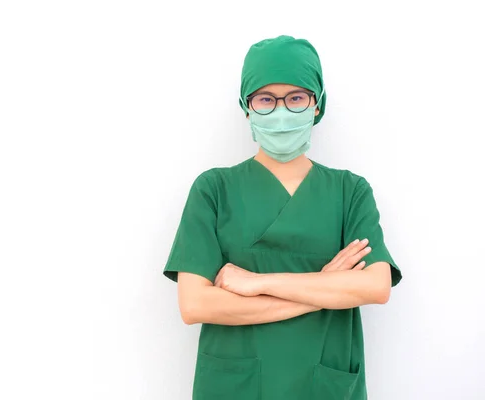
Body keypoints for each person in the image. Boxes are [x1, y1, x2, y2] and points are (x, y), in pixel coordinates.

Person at [163, 35, 402, 400]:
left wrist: (257, 282)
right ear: (246, 108)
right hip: (235, 386)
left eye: (296, 98)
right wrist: (324, 289)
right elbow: (195, 304)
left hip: (323, 384)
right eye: (265, 99)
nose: (280, 111)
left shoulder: (349, 192)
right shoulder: (214, 189)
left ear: (317, 105)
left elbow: (375, 286)